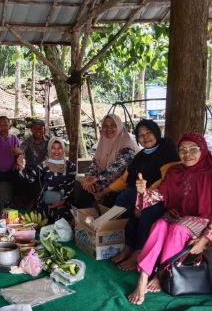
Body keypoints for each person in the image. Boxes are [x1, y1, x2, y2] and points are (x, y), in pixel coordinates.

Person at [128, 133, 212, 305]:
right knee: (159, 225)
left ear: (203, 149)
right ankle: (143, 277)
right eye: (182, 150)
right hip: (177, 215)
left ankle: (161, 274)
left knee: (177, 229)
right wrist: (144, 192)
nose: (187, 154)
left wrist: (205, 239)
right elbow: (161, 194)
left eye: (193, 149)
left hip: (202, 220)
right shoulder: (175, 171)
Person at [99, 120, 180, 270]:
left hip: (164, 198)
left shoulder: (167, 150)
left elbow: (166, 181)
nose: (145, 137)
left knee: (148, 212)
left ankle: (139, 252)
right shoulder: (142, 155)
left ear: (156, 132)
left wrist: (143, 201)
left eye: (148, 133)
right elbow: (125, 179)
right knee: (124, 199)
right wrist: (104, 191)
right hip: (142, 196)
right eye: (140, 135)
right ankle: (127, 246)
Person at [77, 114, 139, 208]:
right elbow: (95, 163)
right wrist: (89, 176)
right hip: (103, 181)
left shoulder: (127, 144)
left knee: (110, 200)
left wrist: (96, 178)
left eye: (113, 125)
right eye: (105, 126)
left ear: (119, 126)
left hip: (121, 185)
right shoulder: (103, 141)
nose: (108, 129)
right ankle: (81, 219)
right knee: (85, 190)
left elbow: (117, 168)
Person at [17, 137, 76, 223]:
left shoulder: (70, 166)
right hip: (46, 202)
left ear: (63, 149)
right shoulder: (44, 165)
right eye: (53, 148)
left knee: (63, 220)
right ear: (49, 149)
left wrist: (62, 201)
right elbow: (30, 178)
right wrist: (22, 167)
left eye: (59, 148)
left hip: (64, 202)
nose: (56, 151)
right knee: (42, 221)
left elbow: (71, 187)